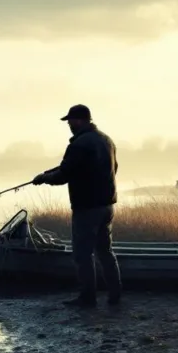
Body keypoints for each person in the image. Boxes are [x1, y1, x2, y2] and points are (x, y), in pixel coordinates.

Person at [32, 105, 122, 308]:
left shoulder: (80, 144)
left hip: (87, 206)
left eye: (70, 121)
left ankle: (88, 298)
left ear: (80, 120)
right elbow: (113, 168)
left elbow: (64, 174)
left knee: (83, 254)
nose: (69, 125)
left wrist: (44, 179)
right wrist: (49, 173)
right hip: (107, 206)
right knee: (105, 251)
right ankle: (115, 295)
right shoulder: (107, 140)